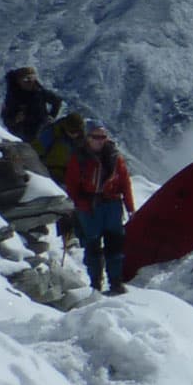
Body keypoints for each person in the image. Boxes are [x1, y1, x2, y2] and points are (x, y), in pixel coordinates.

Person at [64, 121, 135, 296]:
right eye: (96, 137)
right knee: (93, 247)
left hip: (111, 205)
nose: (100, 140)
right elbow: (71, 185)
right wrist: (80, 205)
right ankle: (96, 283)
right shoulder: (78, 157)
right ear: (87, 138)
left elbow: (125, 182)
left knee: (115, 246)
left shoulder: (114, 157)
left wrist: (130, 207)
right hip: (90, 208)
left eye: (103, 137)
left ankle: (115, 282)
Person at [0, 66, 62, 144]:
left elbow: (57, 101)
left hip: (41, 130)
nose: (30, 82)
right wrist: (15, 119)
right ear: (18, 81)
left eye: (32, 78)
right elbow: (6, 118)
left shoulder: (39, 92)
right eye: (26, 79)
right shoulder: (13, 97)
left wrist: (51, 116)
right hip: (22, 134)